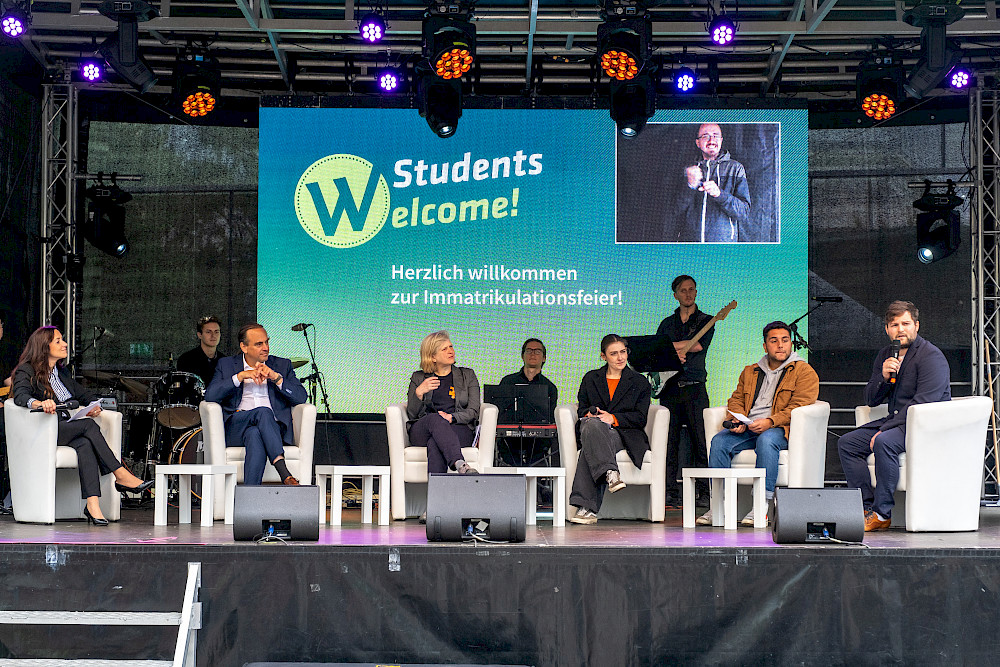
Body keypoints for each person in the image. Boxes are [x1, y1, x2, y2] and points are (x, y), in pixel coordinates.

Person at [11, 326, 152, 525]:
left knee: (85, 444)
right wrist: (40, 404)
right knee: (87, 427)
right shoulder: (27, 369)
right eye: (58, 341)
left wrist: (94, 406)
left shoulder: (61, 373)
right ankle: (120, 474)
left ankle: (93, 505)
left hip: (63, 427)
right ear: (44, 346)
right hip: (42, 430)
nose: (65, 344)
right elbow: (20, 395)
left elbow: (85, 395)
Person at [837, 301, 950, 531]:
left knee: (883, 441)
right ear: (887, 329)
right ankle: (865, 508)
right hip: (897, 420)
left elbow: (923, 404)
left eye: (906, 323)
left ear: (916, 326)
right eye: (894, 324)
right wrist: (883, 375)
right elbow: (871, 399)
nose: (901, 329)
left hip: (925, 424)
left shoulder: (931, 356)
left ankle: (882, 513)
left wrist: (884, 430)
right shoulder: (886, 354)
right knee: (847, 443)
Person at [697, 321, 819, 527]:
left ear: (791, 344)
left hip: (781, 429)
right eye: (774, 341)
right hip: (750, 427)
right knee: (719, 441)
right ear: (765, 346)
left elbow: (799, 406)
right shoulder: (750, 371)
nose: (780, 345)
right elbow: (735, 399)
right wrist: (738, 418)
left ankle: (760, 504)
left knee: (767, 440)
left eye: (785, 340)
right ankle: (718, 504)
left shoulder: (804, 371)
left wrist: (771, 421)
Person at [204, 323, 308, 485]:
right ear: (244, 347)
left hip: (272, 429)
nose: (265, 347)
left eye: (267, 342)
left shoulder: (281, 365)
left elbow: (301, 397)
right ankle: (284, 472)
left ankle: (249, 497)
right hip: (237, 426)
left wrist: (277, 378)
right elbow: (210, 395)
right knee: (263, 412)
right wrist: (240, 377)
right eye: (259, 344)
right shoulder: (227, 365)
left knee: (255, 434)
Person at [568, 335, 651, 525]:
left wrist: (613, 418)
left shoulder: (639, 382)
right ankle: (611, 473)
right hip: (595, 430)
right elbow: (582, 408)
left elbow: (640, 417)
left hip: (624, 434)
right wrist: (591, 415)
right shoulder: (591, 378)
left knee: (591, 442)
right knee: (592, 425)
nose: (620, 357)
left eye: (623, 352)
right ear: (603, 356)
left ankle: (586, 508)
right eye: (614, 354)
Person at [657, 275, 713, 508]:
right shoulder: (667, 323)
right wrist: (671, 351)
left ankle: (703, 492)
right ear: (675, 295)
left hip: (695, 389)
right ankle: (669, 492)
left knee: (701, 441)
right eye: (683, 290)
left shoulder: (706, 320)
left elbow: (698, 345)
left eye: (692, 289)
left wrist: (672, 348)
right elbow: (657, 349)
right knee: (667, 442)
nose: (688, 294)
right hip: (670, 389)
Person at [407, 331, 481, 478]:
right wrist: (419, 393)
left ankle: (436, 498)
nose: (451, 351)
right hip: (424, 429)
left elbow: (473, 411)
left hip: (458, 428)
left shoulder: (467, 375)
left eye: (451, 347)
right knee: (435, 419)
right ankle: (459, 463)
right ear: (433, 357)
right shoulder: (419, 377)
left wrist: (451, 417)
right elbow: (412, 413)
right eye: (444, 349)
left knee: (435, 444)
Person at [677, 123, 751, 243]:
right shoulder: (689, 170)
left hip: (722, 247)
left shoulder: (736, 168)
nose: (712, 140)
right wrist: (690, 186)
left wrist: (719, 194)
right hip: (690, 245)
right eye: (705, 136)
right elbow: (676, 210)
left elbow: (743, 212)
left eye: (716, 136)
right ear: (698, 143)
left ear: (721, 140)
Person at [497, 338, 560, 466]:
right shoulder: (507, 382)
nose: (533, 354)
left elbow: (550, 417)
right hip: (510, 436)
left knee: (540, 446)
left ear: (544, 358)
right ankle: (515, 479)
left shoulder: (550, 387)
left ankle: (535, 483)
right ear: (522, 356)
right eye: (529, 350)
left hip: (538, 438)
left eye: (537, 351)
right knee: (505, 444)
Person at [177, 315, 225, 388]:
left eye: (216, 332)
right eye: (208, 332)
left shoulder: (224, 361)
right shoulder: (186, 360)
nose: (213, 336)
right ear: (199, 335)